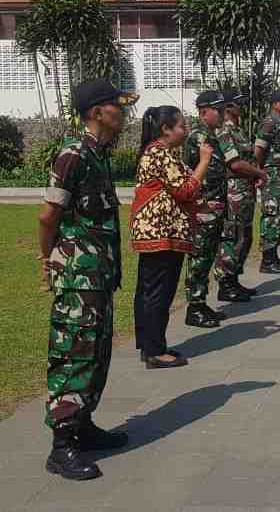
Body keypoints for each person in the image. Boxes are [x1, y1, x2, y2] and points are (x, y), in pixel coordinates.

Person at [39, 79, 136, 480]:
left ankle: (83, 425)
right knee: (74, 354)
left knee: (96, 354)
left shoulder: (98, 153)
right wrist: (47, 259)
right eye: (116, 105)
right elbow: (48, 215)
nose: (123, 111)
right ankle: (61, 447)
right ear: (97, 112)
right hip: (78, 277)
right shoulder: (72, 154)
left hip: (97, 275)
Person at [132, 105, 209, 369]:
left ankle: (150, 345)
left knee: (149, 290)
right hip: (162, 232)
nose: (185, 130)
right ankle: (154, 351)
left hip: (157, 230)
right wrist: (205, 161)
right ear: (166, 129)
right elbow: (185, 189)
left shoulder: (157, 152)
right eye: (181, 126)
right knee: (158, 293)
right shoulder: (160, 153)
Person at [183, 92, 235, 326]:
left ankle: (201, 303)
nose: (223, 113)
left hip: (214, 206)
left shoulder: (212, 136)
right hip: (203, 207)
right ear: (204, 111)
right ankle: (194, 308)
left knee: (207, 256)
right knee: (199, 257)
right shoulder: (198, 136)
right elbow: (191, 171)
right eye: (218, 109)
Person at [213, 91, 264, 300]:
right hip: (234, 193)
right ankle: (225, 284)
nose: (242, 106)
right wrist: (259, 173)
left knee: (244, 237)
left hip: (245, 192)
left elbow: (248, 159)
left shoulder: (239, 131)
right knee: (232, 237)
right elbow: (234, 163)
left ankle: (234, 280)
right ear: (228, 108)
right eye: (238, 103)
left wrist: (255, 174)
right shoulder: (224, 131)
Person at [254, 90, 280, 274]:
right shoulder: (269, 122)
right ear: (274, 104)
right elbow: (259, 148)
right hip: (271, 176)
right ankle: (267, 260)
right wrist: (257, 172)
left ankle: (274, 256)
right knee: (272, 215)